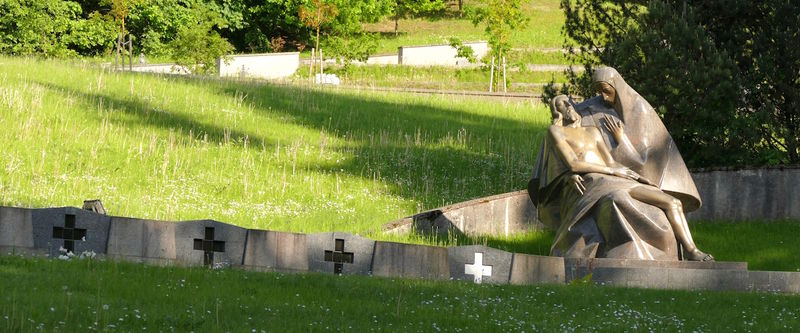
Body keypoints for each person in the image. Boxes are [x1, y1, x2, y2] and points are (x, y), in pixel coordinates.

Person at [529, 67, 707, 261]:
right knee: (618, 198)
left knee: (672, 202)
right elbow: (569, 162)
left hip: (616, 178)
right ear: (558, 113)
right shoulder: (558, 132)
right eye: (563, 106)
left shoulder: (593, 131)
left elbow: (614, 161)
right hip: (597, 182)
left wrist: (628, 168)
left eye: (569, 103)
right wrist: (568, 177)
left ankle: (691, 250)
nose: (571, 107)